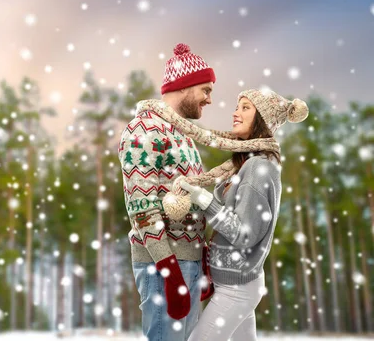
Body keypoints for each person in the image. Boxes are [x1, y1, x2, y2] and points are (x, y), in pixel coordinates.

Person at [118, 44, 279, 341]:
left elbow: (191, 201)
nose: (209, 99)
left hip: (188, 263)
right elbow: (141, 208)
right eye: (205, 90)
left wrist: (201, 258)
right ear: (184, 86)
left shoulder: (183, 136)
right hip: (163, 264)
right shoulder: (144, 130)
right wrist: (168, 268)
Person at [170, 89, 309, 341]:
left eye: (246, 107)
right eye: (237, 106)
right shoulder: (246, 161)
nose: (236, 112)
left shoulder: (258, 167)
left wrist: (203, 199)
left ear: (262, 120)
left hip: (237, 289)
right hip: (235, 283)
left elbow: (244, 234)